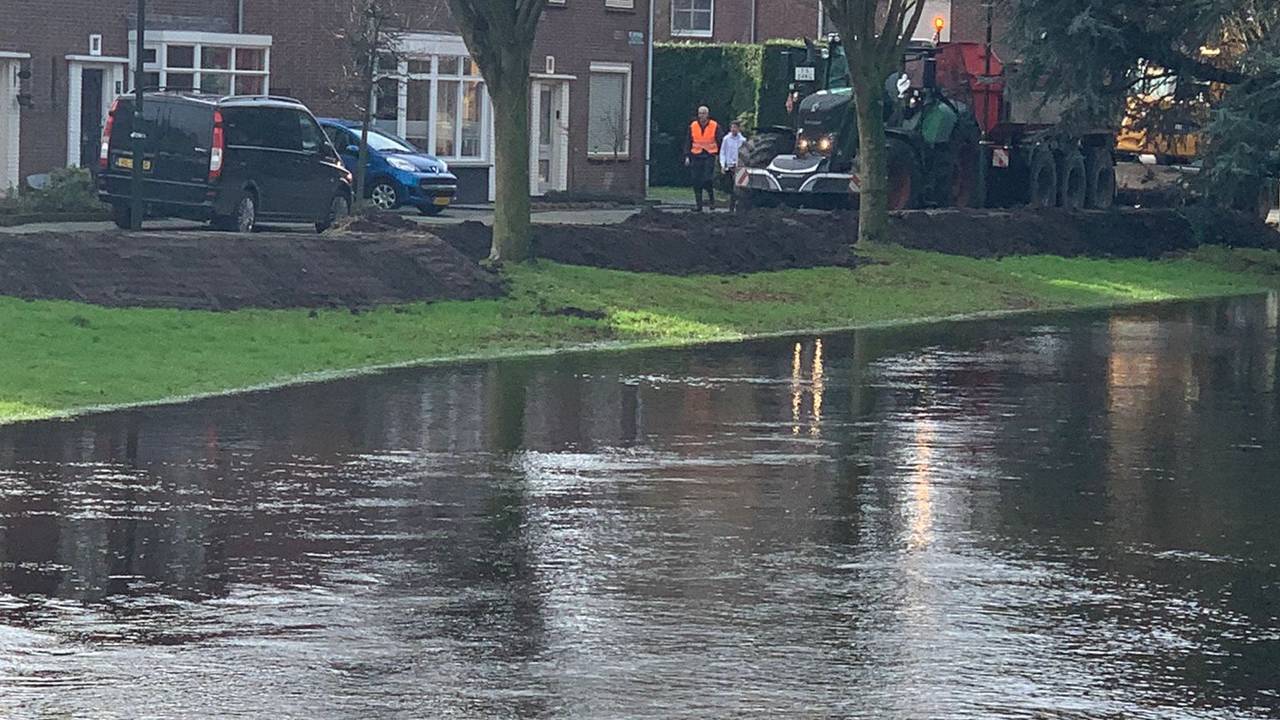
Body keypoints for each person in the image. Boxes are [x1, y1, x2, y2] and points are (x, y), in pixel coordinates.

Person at [683, 105, 724, 211]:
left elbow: (720, 141)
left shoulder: (715, 126)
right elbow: (688, 141)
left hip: (709, 155)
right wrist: (687, 156)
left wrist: (721, 156)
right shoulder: (693, 126)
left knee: (707, 179)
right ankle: (699, 205)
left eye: (703, 113)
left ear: (708, 114)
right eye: (700, 113)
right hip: (696, 155)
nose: (701, 115)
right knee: (696, 180)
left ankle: (711, 200)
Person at [719, 120, 747, 212]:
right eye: (732, 127)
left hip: (739, 167)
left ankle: (735, 207)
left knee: (738, 187)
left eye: (735, 127)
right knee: (730, 187)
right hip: (729, 166)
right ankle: (731, 206)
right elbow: (722, 152)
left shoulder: (743, 140)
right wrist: (723, 165)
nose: (733, 129)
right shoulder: (726, 139)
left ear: (739, 128)